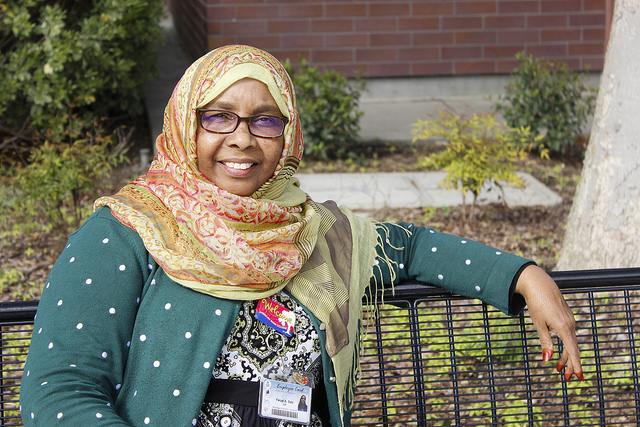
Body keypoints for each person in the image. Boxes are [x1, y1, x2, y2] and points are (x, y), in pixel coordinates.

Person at [20, 45, 582, 427]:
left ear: (288, 136)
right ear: (184, 123)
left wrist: (523, 276)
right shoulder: (129, 230)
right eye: (218, 117)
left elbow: (408, 247)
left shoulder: (313, 232)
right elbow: (59, 394)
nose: (242, 138)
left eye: (266, 119)